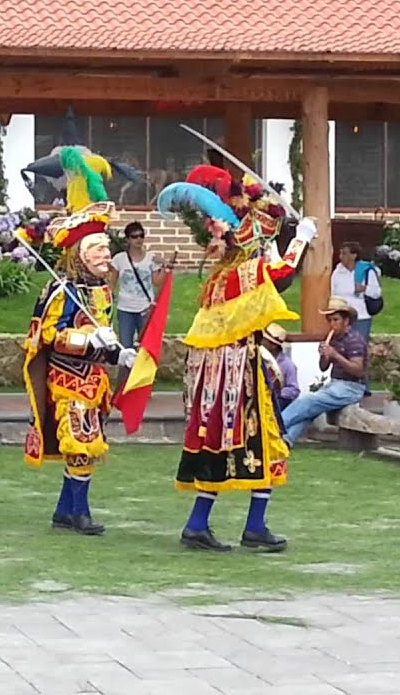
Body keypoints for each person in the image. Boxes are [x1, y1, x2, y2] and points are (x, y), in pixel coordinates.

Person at [157, 170, 317, 554]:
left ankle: (204, 524)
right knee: (264, 441)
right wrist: (301, 239)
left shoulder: (220, 275)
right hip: (236, 372)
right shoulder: (245, 270)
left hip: (220, 374)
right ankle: (251, 526)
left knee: (221, 445)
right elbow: (279, 273)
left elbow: (272, 273)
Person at [19, 147, 137, 537]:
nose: (106, 255)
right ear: (80, 255)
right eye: (98, 250)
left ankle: (64, 511)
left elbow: (103, 332)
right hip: (67, 378)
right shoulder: (60, 290)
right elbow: (46, 336)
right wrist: (88, 341)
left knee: (85, 445)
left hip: (94, 378)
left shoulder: (101, 291)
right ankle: (79, 512)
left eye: (107, 248)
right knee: (81, 446)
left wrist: (118, 350)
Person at [280, 297, 370, 444]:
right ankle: (286, 440)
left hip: (351, 388)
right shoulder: (334, 338)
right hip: (335, 385)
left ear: (346, 321)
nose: (332, 324)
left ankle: (277, 427)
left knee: (309, 401)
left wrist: (335, 355)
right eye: (330, 321)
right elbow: (323, 368)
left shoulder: (354, 340)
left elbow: (358, 370)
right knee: (311, 411)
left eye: (336, 320)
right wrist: (324, 356)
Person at [109, 221, 174, 349]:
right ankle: (126, 369)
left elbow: (157, 282)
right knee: (125, 346)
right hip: (125, 309)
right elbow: (112, 282)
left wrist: (165, 267)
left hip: (145, 308)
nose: (138, 239)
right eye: (134, 236)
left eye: (141, 236)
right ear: (128, 239)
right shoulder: (119, 259)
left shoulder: (151, 258)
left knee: (146, 346)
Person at [332, 241, 381, 340]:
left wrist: (364, 289)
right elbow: (332, 292)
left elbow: (376, 293)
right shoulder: (337, 272)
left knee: (359, 346)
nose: (341, 256)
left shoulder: (367, 271)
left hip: (361, 317)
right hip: (343, 317)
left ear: (354, 255)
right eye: (340, 253)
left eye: (344, 253)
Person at [261, 323, 300, 410]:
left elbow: (294, 390)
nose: (261, 343)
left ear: (273, 345)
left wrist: (277, 392)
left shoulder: (288, 364)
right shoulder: (260, 359)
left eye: (264, 340)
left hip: (278, 404)